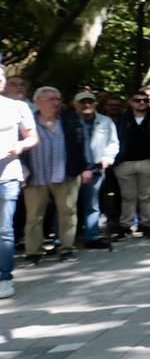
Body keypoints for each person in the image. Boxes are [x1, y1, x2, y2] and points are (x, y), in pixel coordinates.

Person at [22, 87, 93, 264]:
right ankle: (33, 252)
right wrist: (22, 169)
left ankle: (66, 249)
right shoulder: (28, 120)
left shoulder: (70, 118)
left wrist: (87, 167)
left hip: (66, 174)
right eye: (51, 99)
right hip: (35, 176)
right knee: (34, 216)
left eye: (58, 99)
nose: (56, 102)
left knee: (68, 213)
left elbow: (83, 142)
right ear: (37, 101)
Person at [113, 89, 150, 238]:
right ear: (131, 102)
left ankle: (147, 224)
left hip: (148, 162)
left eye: (144, 100)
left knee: (147, 196)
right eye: (137, 100)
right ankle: (126, 225)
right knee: (127, 196)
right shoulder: (122, 119)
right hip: (125, 163)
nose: (141, 103)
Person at [0, 71, 37, 298]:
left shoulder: (17, 107)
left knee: (4, 230)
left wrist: (21, 147)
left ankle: (4, 277)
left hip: (8, 176)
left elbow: (32, 137)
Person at [74, 91, 119, 248]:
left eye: (90, 102)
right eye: (82, 102)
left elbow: (113, 143)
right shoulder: (69, 121)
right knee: (67, 205)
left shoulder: (105, 121)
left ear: (95, 104)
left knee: (92, 204)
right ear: (75, 105)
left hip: (96, 168)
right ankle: (61, 240)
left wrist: (107, 158)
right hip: (72, 170)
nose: (87, 105)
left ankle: (91, 237)